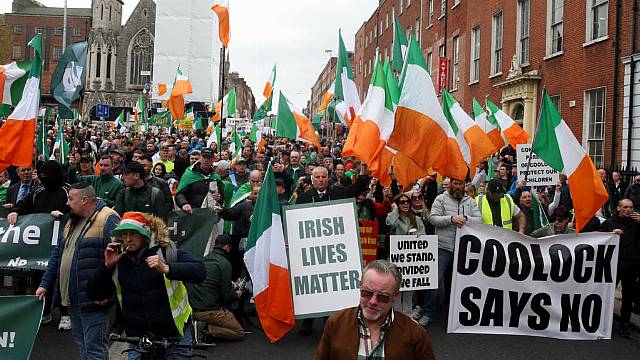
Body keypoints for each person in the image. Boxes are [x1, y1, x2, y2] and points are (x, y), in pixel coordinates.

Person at [87, 212, 206, 358]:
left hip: (175, 335)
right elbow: (95, 294)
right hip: (138, 339)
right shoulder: (118, 259)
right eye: (124, 234)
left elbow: (200, 271)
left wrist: (168, 268)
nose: (128, 239)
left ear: (145, 235)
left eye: (134, 234)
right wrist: (106, 266)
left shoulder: (166, 251)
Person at [37, 182, 120, 359]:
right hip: (73, 299)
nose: (67, 203)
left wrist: (106, 291)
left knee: (95, 348)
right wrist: (45, 283)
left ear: (83, 200)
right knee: (84, 345)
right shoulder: (72, 220)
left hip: (94, 300)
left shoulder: (108, 218)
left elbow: (119, 260)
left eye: (70, 198)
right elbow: (58, 254)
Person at [298, 165, 370, 334]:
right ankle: (308, 321)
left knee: (329, 285)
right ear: (312, 179)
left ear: (328, 178)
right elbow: (296, 222)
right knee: (313, 285)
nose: (321, 180)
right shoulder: (304, 198)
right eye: (317, 177)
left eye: (323, 177)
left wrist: (363, 173)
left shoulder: (338, 193)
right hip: (313, 251)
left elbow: (357, 188)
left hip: (333, 251)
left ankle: (328, 322)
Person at [314, 260, 435, 360]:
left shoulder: (414, 333)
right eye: (366, 293)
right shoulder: (336, 323)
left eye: (383, 297)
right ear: (360, 286)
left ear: (395, 296)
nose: (373, 301)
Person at [420, 177, 481, 326]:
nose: (459, 187)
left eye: (461, 184)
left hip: (463, 249)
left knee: (459, 282)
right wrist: (451, 219)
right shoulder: (440, 199)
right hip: (442, 247)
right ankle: (428, 312)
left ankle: (454, 312)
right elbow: (433, 219)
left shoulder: (470, 202)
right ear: (451, 185)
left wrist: (466, 218)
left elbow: (480, 220)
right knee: (435, 281)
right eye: (456, 183)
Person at [189, 234, 245, 342]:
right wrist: (237, 293)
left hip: (193, 309)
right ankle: (206, 329)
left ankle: (199, 325)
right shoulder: (225, 264)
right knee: (239, 332)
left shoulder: (204, 259)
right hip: (210, 311)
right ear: (227, 247)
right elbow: (226, 295)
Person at [600, 199, 640, 338]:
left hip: (632, 266)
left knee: (628, 297)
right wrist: (611, 233)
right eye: (625, 207)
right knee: (608, 293)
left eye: (630, 207)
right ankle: (604, 321)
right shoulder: (609, 223)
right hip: (614, 265)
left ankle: (624, 325)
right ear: (618, 208)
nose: (628, 210)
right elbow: (598, 238)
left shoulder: (636, 222)